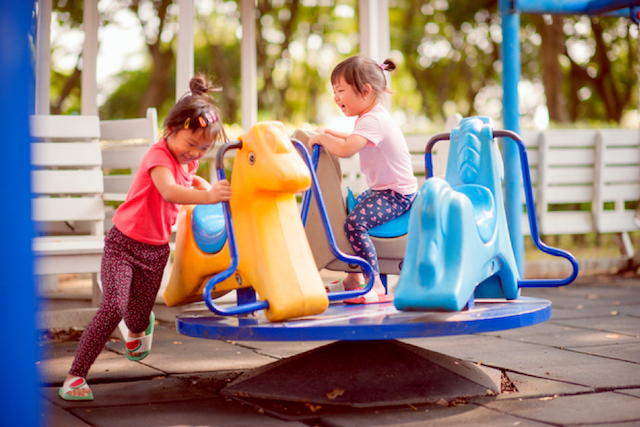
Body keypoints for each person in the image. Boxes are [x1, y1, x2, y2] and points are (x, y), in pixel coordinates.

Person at [59, 74, 232, 401]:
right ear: (171, 130)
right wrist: (210, 197)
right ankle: (76, 376)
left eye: (204, 149)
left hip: (155, 253)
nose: (194, 153)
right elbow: (168, 190)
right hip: (122, 245)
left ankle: (140, 325)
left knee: (136, 320)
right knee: (112, 307)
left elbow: (188, 179)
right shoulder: (158, 156)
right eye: (190, 144)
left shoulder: (187, 162)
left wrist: (202, 186)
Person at [309, 56, 418, 304]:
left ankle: (375, 283)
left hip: (397, 195)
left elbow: (347, 148)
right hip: (384, 190)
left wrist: (321, 139)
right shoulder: (369, 118)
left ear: (365, 91)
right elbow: (352, 137)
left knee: (354, 224)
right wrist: (327, 131)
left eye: (340, 90)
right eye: (334, 91)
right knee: (350, 210)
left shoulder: (373, 120)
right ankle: (353, 279)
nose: (336, 98)